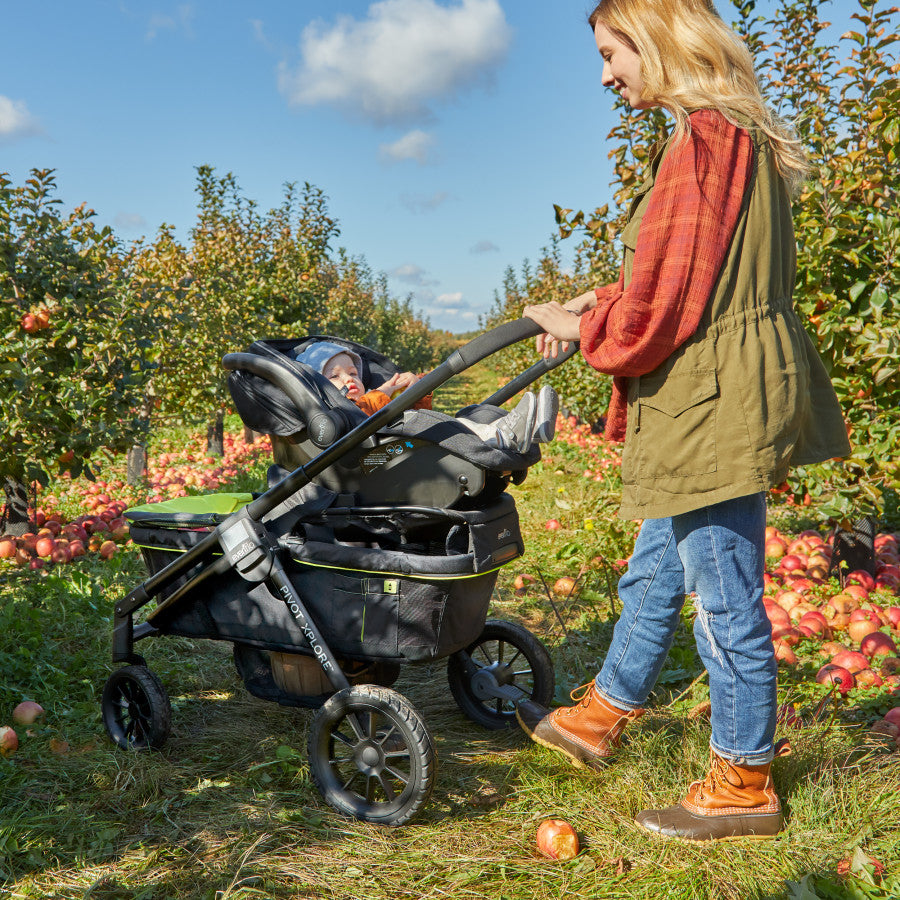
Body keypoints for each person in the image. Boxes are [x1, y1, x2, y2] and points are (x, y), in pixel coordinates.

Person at [515, 0, 850, 842]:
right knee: (659, 566)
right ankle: (603, 713)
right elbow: (694, 277)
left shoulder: (702, 144)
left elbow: (661, 307)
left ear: (655, 40)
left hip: (711, 398)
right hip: (716, 386)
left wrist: (585, 325)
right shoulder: (738, 140)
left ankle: (743, 781)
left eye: (610, 52)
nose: (605, 75)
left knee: (722, 593)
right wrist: (611, 295)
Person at [294, 341, 557, 452]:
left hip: (409, 441)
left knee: (466, 417)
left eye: (352, 372)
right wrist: (384, 390)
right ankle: (507, 435)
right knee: (450, 428)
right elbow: (363, 410)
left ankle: (523, 431)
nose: (349, 379)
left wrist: (416, 389)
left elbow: (417, 411)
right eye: (335, 376)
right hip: (385, 455)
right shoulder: (339, 414)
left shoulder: (372, 399)